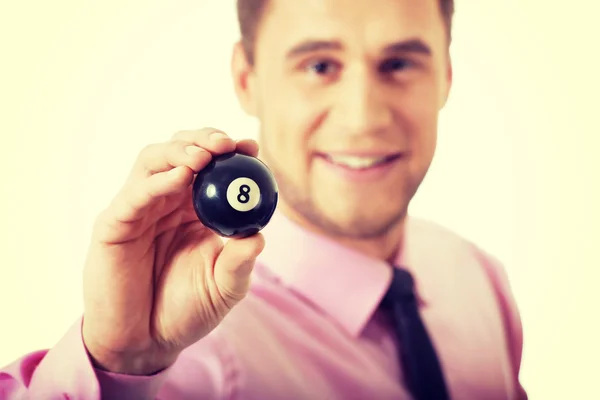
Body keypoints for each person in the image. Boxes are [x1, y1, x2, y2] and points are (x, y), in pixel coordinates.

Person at [0, 0, 528, 399]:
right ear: (246, 80)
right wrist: (120, 360)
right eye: (319, 66)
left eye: (399, 64)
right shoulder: (183, 360)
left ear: (446, 77)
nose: (363, 116)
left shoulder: (481, 279)